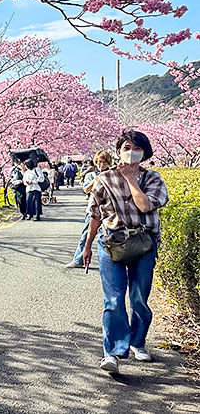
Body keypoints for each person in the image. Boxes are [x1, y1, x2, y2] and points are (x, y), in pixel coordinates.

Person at [83, 131, 169, 374]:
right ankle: (112, 353)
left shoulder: (153, 179)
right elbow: (96, 215)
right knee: (114, 299)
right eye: (126, 147)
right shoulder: (103, 179)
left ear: (145, 153)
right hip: (112, 243)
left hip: (143, 242)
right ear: (118, 150)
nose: (131, 152)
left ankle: (138, 341)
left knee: (139, 297)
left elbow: (144, 205)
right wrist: (87, 245)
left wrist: (132, 180)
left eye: (137, 148)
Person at [65, 151, 112, 269]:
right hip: (93, 209)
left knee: (112, 236)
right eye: (100, 162)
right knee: (86, 235)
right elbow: (85, 190)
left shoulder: (112, 175)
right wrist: (95, 181)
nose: (102, 165)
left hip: (109, 209)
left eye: (105, 162)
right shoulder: (91, 175)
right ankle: (78, 259)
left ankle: (112, 261)